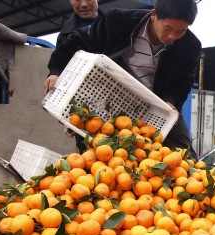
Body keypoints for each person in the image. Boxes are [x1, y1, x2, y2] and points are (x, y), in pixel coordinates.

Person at [44, 0, 202, 159]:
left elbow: (183, 81)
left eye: (180, 31)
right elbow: (78, 40)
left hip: (156, 104)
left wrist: (171, 102)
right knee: (96, 150)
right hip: (111, 95)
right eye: (168, 28)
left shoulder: (190, 46)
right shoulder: (119, 21)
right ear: (154, 15)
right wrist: (56, 70)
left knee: (185, 156)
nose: (172, 36)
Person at [57, 0, 103, 153]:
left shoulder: (113, 25)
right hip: (85, 108)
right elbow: (65, 78)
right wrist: (68, 116)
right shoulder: (65, 35)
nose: (83, 4)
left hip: (117, 101)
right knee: (89, 157)